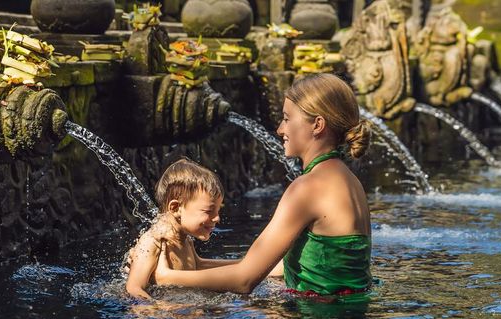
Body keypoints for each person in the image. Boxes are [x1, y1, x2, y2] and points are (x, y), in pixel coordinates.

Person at [153, 73, 372, 297]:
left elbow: (244, 281)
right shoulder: (350, 181)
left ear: (317, 125)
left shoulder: (308, 188)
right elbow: (275, 267)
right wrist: (196, 265)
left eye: (287, 119)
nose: (279, 129)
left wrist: (166, 277)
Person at [125, 158, 236, 299]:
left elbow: (199, 265)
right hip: (166, 317)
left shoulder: (185, 237)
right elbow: (134, 288)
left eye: (218, 210)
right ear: (176, 208)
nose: (217, 218)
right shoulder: (152, 242)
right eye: (209, 211)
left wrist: (244, 264)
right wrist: (158, 310)